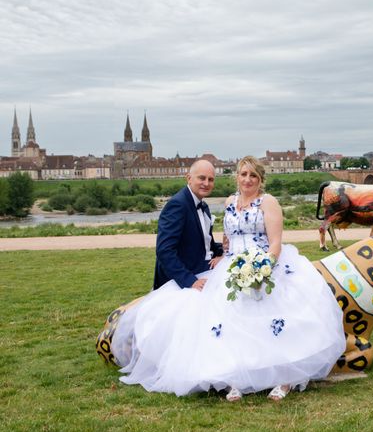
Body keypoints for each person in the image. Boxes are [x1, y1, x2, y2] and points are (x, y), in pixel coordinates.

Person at [111, 156, 346, 402]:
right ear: (236, 176)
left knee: (271, 321)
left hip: (265, 264)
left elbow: (275, 242)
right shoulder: (229, 202)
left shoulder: (269, 202)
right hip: (232, 268)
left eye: (253, 175)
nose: (247, 179)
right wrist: (222, 255)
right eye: (243, 174)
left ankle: (283, 378)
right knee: (227, 322)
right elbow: (228, 239)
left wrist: (263, 269)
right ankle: (234, 377)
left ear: (260, 179)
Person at [153, 159, 224, 290]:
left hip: (206, 268)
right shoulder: (177, 205)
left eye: (211, 179)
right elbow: (164, 251)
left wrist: (224, 252)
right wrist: (191, 281)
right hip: (185, 278)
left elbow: (206, 244)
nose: (206, 183)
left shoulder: (204, 206)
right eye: (202, 178)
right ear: (189, 178)